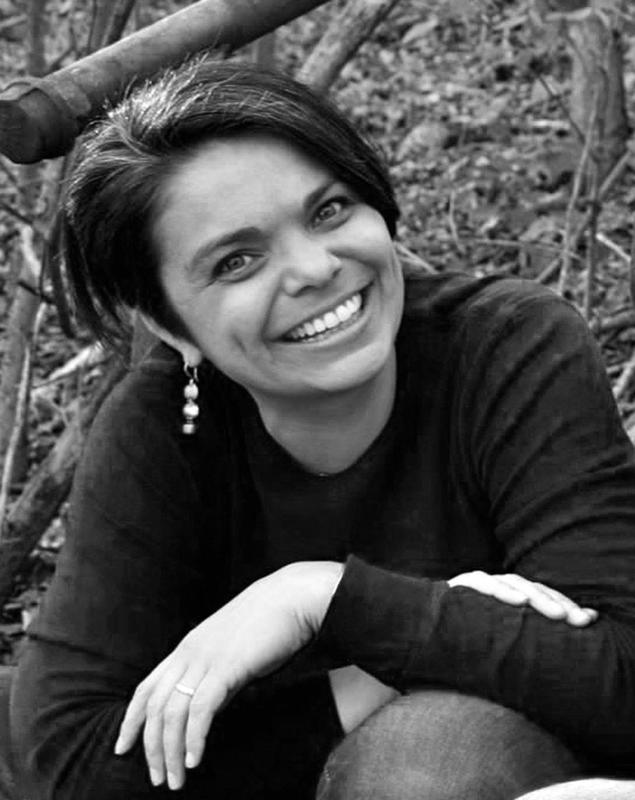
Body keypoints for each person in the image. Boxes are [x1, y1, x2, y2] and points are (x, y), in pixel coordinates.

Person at [8, 55, 635, 800]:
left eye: (328, 210)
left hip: (493, 773)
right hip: (287, 768)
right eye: (237, 261)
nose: (313, 268)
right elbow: (69, 762)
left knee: (427, 757)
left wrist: (319, 598)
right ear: (165, 323)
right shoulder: (158, 431)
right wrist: (373, 669)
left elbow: (620, 678)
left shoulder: (507, 347)